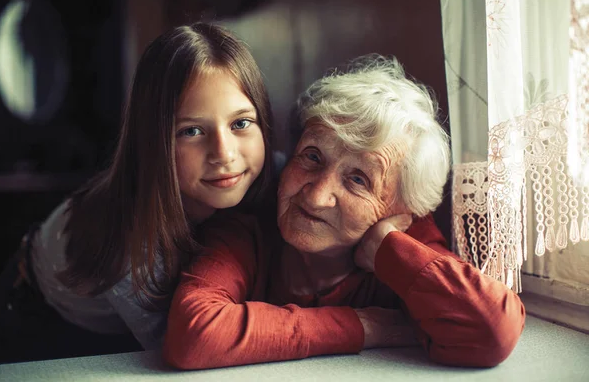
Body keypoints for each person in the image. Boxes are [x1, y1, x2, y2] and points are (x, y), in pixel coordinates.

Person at [164, 55, 526, 370]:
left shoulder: (406, 243)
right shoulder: (248, 225)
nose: (317, 196)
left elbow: (493, 328)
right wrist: (362, 327)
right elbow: (193, 334)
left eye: (357, 179)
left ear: (402, 210)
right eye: (312, 157)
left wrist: (388, 250)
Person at [0, 22, 274, 363]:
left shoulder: (280, 175)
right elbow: (195, 350)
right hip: (37, 313)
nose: (224, 154)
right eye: (192, 131)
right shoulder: (132, 246)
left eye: (240, 123)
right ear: (152, 141)